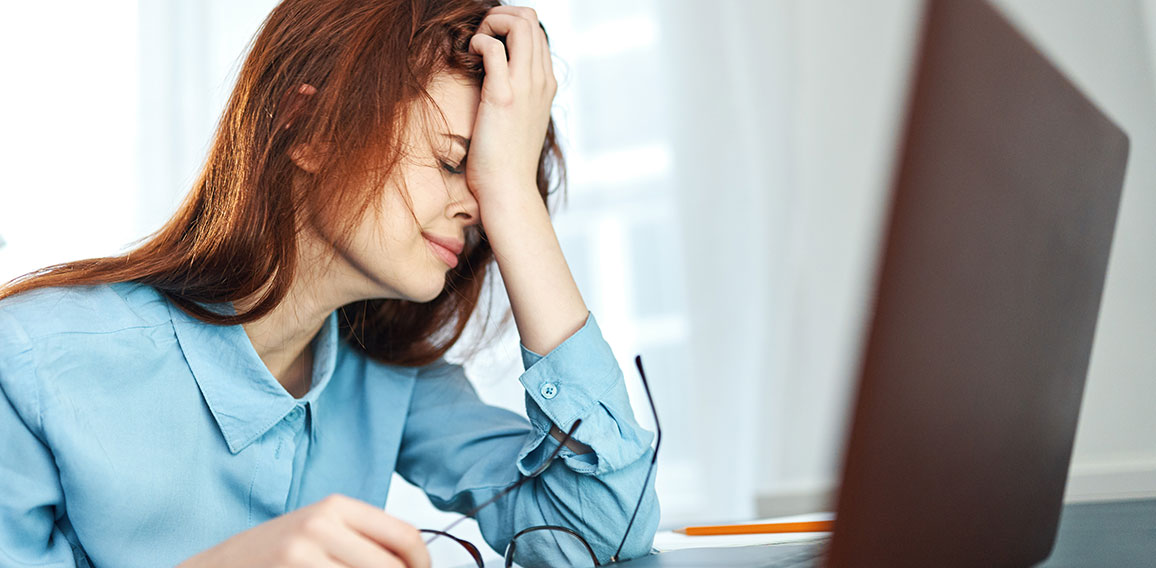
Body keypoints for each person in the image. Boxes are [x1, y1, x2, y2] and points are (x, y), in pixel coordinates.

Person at [0, 1, 659, 566]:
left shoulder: (393, 379)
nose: (480, 207)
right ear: (310, 128)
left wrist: (517, 197)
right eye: (454, 160)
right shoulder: (30, 361)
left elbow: (603, 530)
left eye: (494, 180)